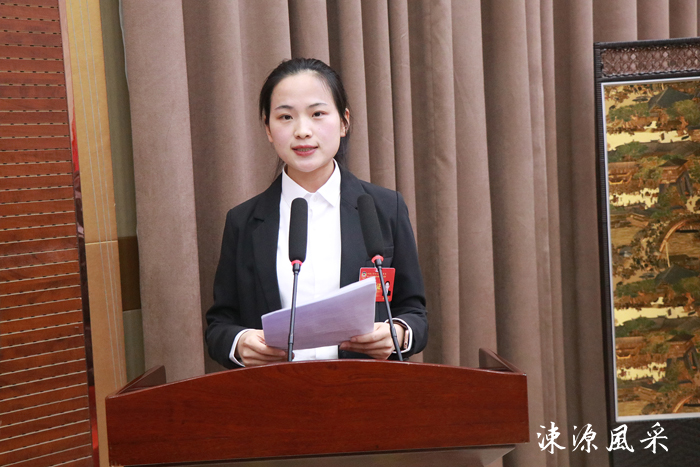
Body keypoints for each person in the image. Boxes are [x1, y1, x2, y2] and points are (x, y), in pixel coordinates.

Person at [205, 58, 428, 368]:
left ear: (344, 121)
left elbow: (415, 313)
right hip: (276, 390)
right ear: (268, 128)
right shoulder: (243, 221)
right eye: (285, 117)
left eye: (317, 114)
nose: (302, 131)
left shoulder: (385, 208)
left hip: (365, 388)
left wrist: (398, 334)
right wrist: (240, 343)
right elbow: (219, 324)